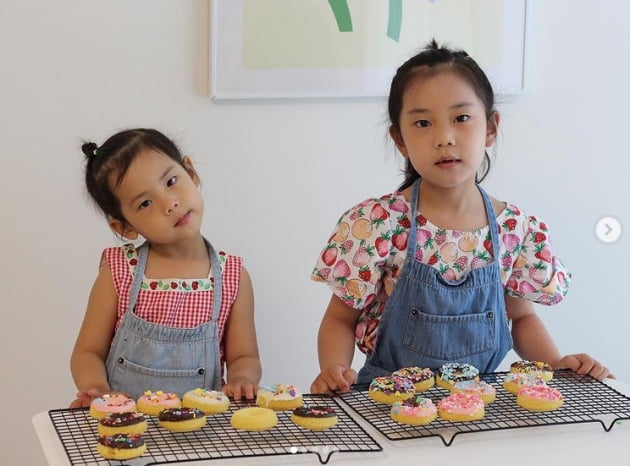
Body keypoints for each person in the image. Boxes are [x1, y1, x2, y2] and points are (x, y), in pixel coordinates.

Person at [309, 40, 612, 394]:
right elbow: (339, 320)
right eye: (423, 123)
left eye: (461, 118)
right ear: (400, 139)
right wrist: (334, 369)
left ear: (490, 128)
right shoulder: (376, 224)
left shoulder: (514, 229)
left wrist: (556, 364)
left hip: (480, 406)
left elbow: (522, 318)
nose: (444, 138)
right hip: (386, 404)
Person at [70, 128, 261, 407]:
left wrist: (242, 378)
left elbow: (244, 356)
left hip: (202, 429)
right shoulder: (120, 271)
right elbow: (87, 352)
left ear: (191, 173)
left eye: (171, 181)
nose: (169, 203)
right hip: (126, 426)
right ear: (124, 226)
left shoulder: (233, 276)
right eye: (145, 203)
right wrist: (97, 389)